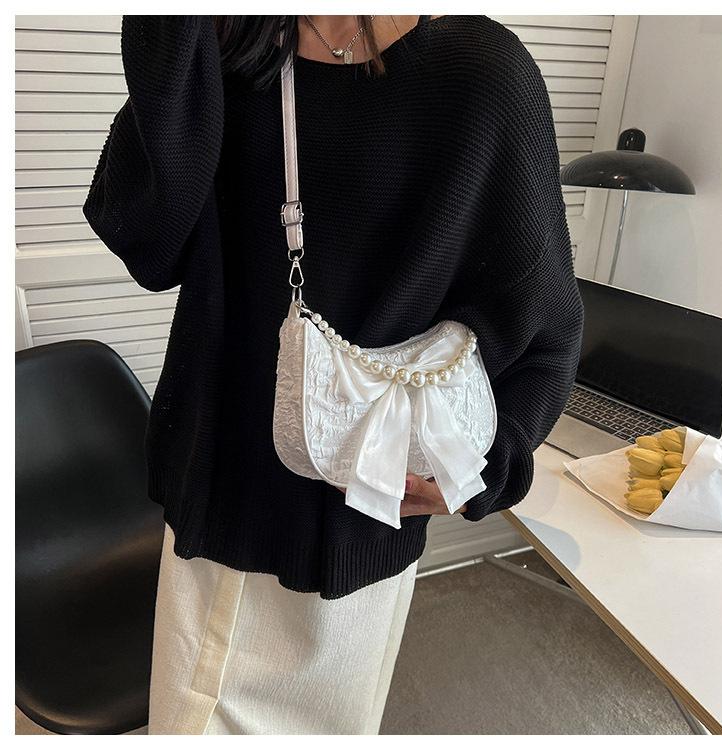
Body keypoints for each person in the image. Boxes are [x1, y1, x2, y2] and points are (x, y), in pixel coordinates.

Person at [83, 14, 584, 735]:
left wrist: (486, 464)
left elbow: (548, 321)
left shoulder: (481, 73)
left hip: (370, 522)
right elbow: (147, 243)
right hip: (222, 510)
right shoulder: (231, 48)